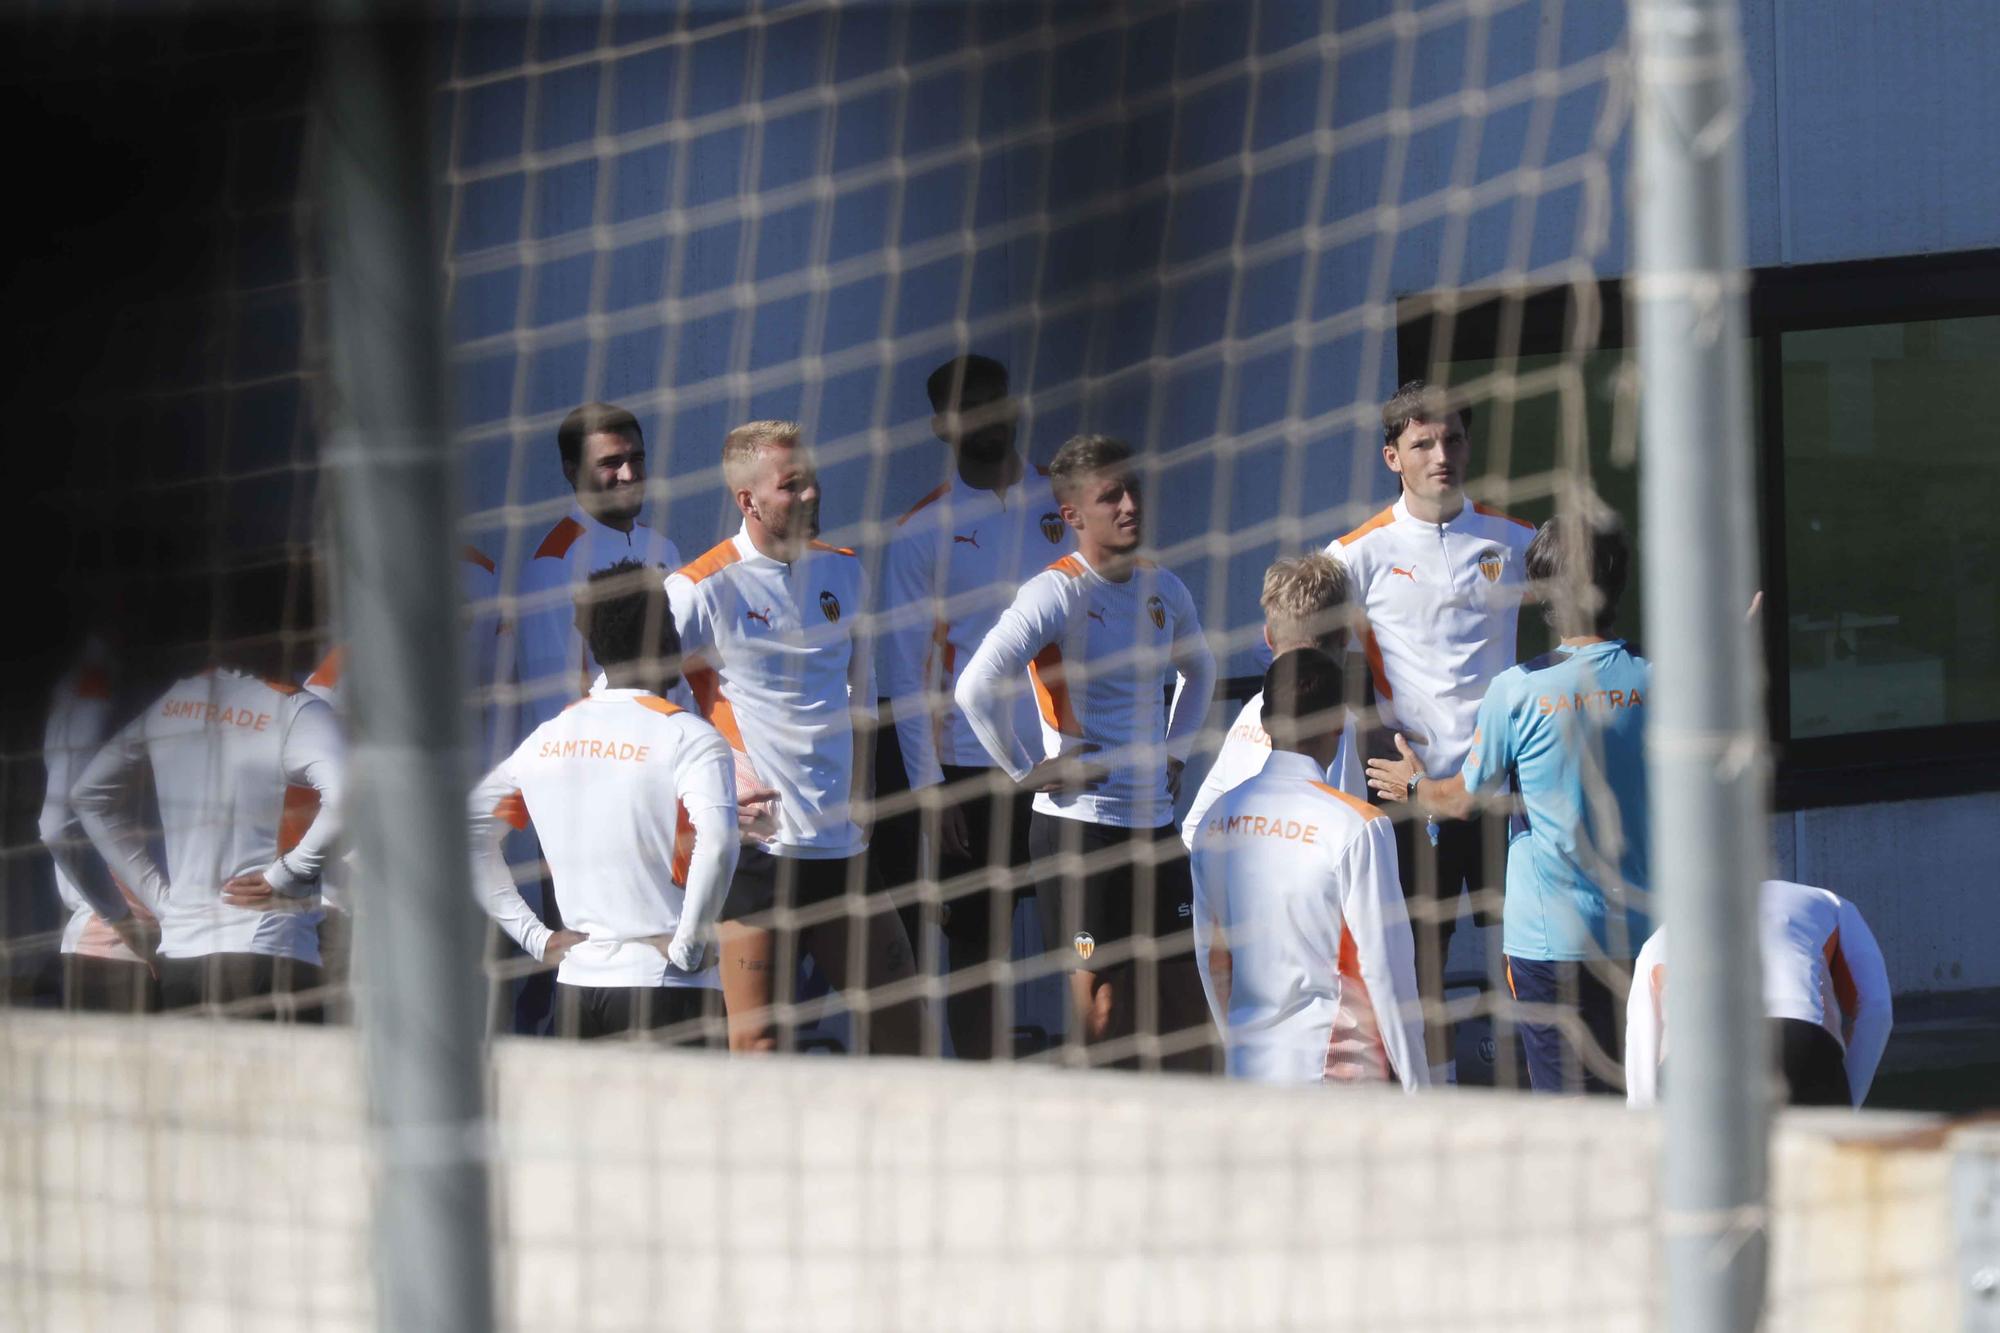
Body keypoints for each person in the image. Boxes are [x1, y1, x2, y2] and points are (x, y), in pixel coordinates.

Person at [956, 433, 1217, 1071]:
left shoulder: (1165, 587)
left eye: (1133, 489)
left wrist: (1175, 754)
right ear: (1072, 516)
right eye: (1110, 496)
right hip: (1079, 833)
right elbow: (973, 687)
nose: (1130, 505)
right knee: (1102, 1009)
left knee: (1188, 1003)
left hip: (1155, 826)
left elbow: (1201, 671)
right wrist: (1027, 770)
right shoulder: (1056, 592)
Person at [1367, 511, 1649, 1093]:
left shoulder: (1518, 690)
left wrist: (1414, 785)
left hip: (1549, 942)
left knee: (1564, 1107)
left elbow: (1459, 802)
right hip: (1643, 934)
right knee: (1642, 1100)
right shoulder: (1658, 677)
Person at [667, 420, 921, 1055]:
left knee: (907, 1029)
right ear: (747, 501)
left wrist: (862, 789)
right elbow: (619, 699)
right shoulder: (700, 586)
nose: (811, 497)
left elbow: (861, 695)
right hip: (759, 853)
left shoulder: (844, 571)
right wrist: (702, 792)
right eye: (792, 486)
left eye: (813, 481)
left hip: (840, 844)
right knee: (758, 1048)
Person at [1328, 379, 1536, 1083]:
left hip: (1509, 787)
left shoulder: (1514, 539)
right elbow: (1286, 631)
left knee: (1531, 947)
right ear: (1394, 455)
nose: (1441, 453)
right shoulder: (1358, 551)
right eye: (1423, 442)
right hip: (1412, 791)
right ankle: (1436, 1099)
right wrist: (1364, 733)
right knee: (1421, 958)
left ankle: (1541, 1089)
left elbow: (1591, 604)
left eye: (1452, 439)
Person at [877, 354, 1074, 1059]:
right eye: (967, 406)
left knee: (1086, 930)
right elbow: (905, 672)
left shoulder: (1067, 499)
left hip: (1069, 755)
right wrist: (931, 790)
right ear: (942, 425)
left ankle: (1100, 1061)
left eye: (995, 399)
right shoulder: (919, 531)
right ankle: (984, 1087)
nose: (986, 416)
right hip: (971, 768)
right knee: (977, 944)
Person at [468, 562, 736, 1043]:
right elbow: (718, 842)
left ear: (595, 647)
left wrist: (535, 938)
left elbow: (469, 833)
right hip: (667, 986)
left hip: (577, 990)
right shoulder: (689, 736)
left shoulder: (548, 738)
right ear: (668, 637)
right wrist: (690, 948)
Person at [70, 593, 344, 1020]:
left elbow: (88, 796)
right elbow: (349, 798)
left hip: (181, 957)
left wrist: (161, 900)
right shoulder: (298, 710)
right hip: (268, 951)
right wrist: (288, 874)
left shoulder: (173, 702)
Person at [508, 402, 682, 1032]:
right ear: (569, 470)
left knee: (653, 986)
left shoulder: (662, 545)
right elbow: (557, 710)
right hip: (590, 817)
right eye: (610, 463)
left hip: (660, 802)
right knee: (581, 982)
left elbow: (679, 679)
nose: (628, 473)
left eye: (636, 458)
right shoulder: (555, 562)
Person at [1189, 649, 1427, 1088]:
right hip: (1336, 1078)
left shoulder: (1214, 821)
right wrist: (1418, 1088)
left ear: (1263, 723)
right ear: (1340, 723)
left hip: (1250, 1072)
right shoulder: (1359, 826)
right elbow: (1388, 972)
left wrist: (1237, 1050)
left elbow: (1212, 959)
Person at [1625, 880, 1892, 1109]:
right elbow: (1876, 1010)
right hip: (1797, 1040)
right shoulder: (1832, 903)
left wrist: (1647, 1131)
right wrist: (1846, 1109)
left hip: (1696, 1055)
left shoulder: (1666, 932)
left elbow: (1642, 1037)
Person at [1180, 552, 1364, 850]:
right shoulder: (1337, 722)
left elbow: (1194, 831)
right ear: (1344, 637)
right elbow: (1348, 843)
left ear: (1268, 637)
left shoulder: (1252, 711)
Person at [38, 636, 159, 1012]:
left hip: (132, 945)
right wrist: (121, 918)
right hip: (118, 951)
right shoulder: (99, 695)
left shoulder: (87, 687)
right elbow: (57, 824)